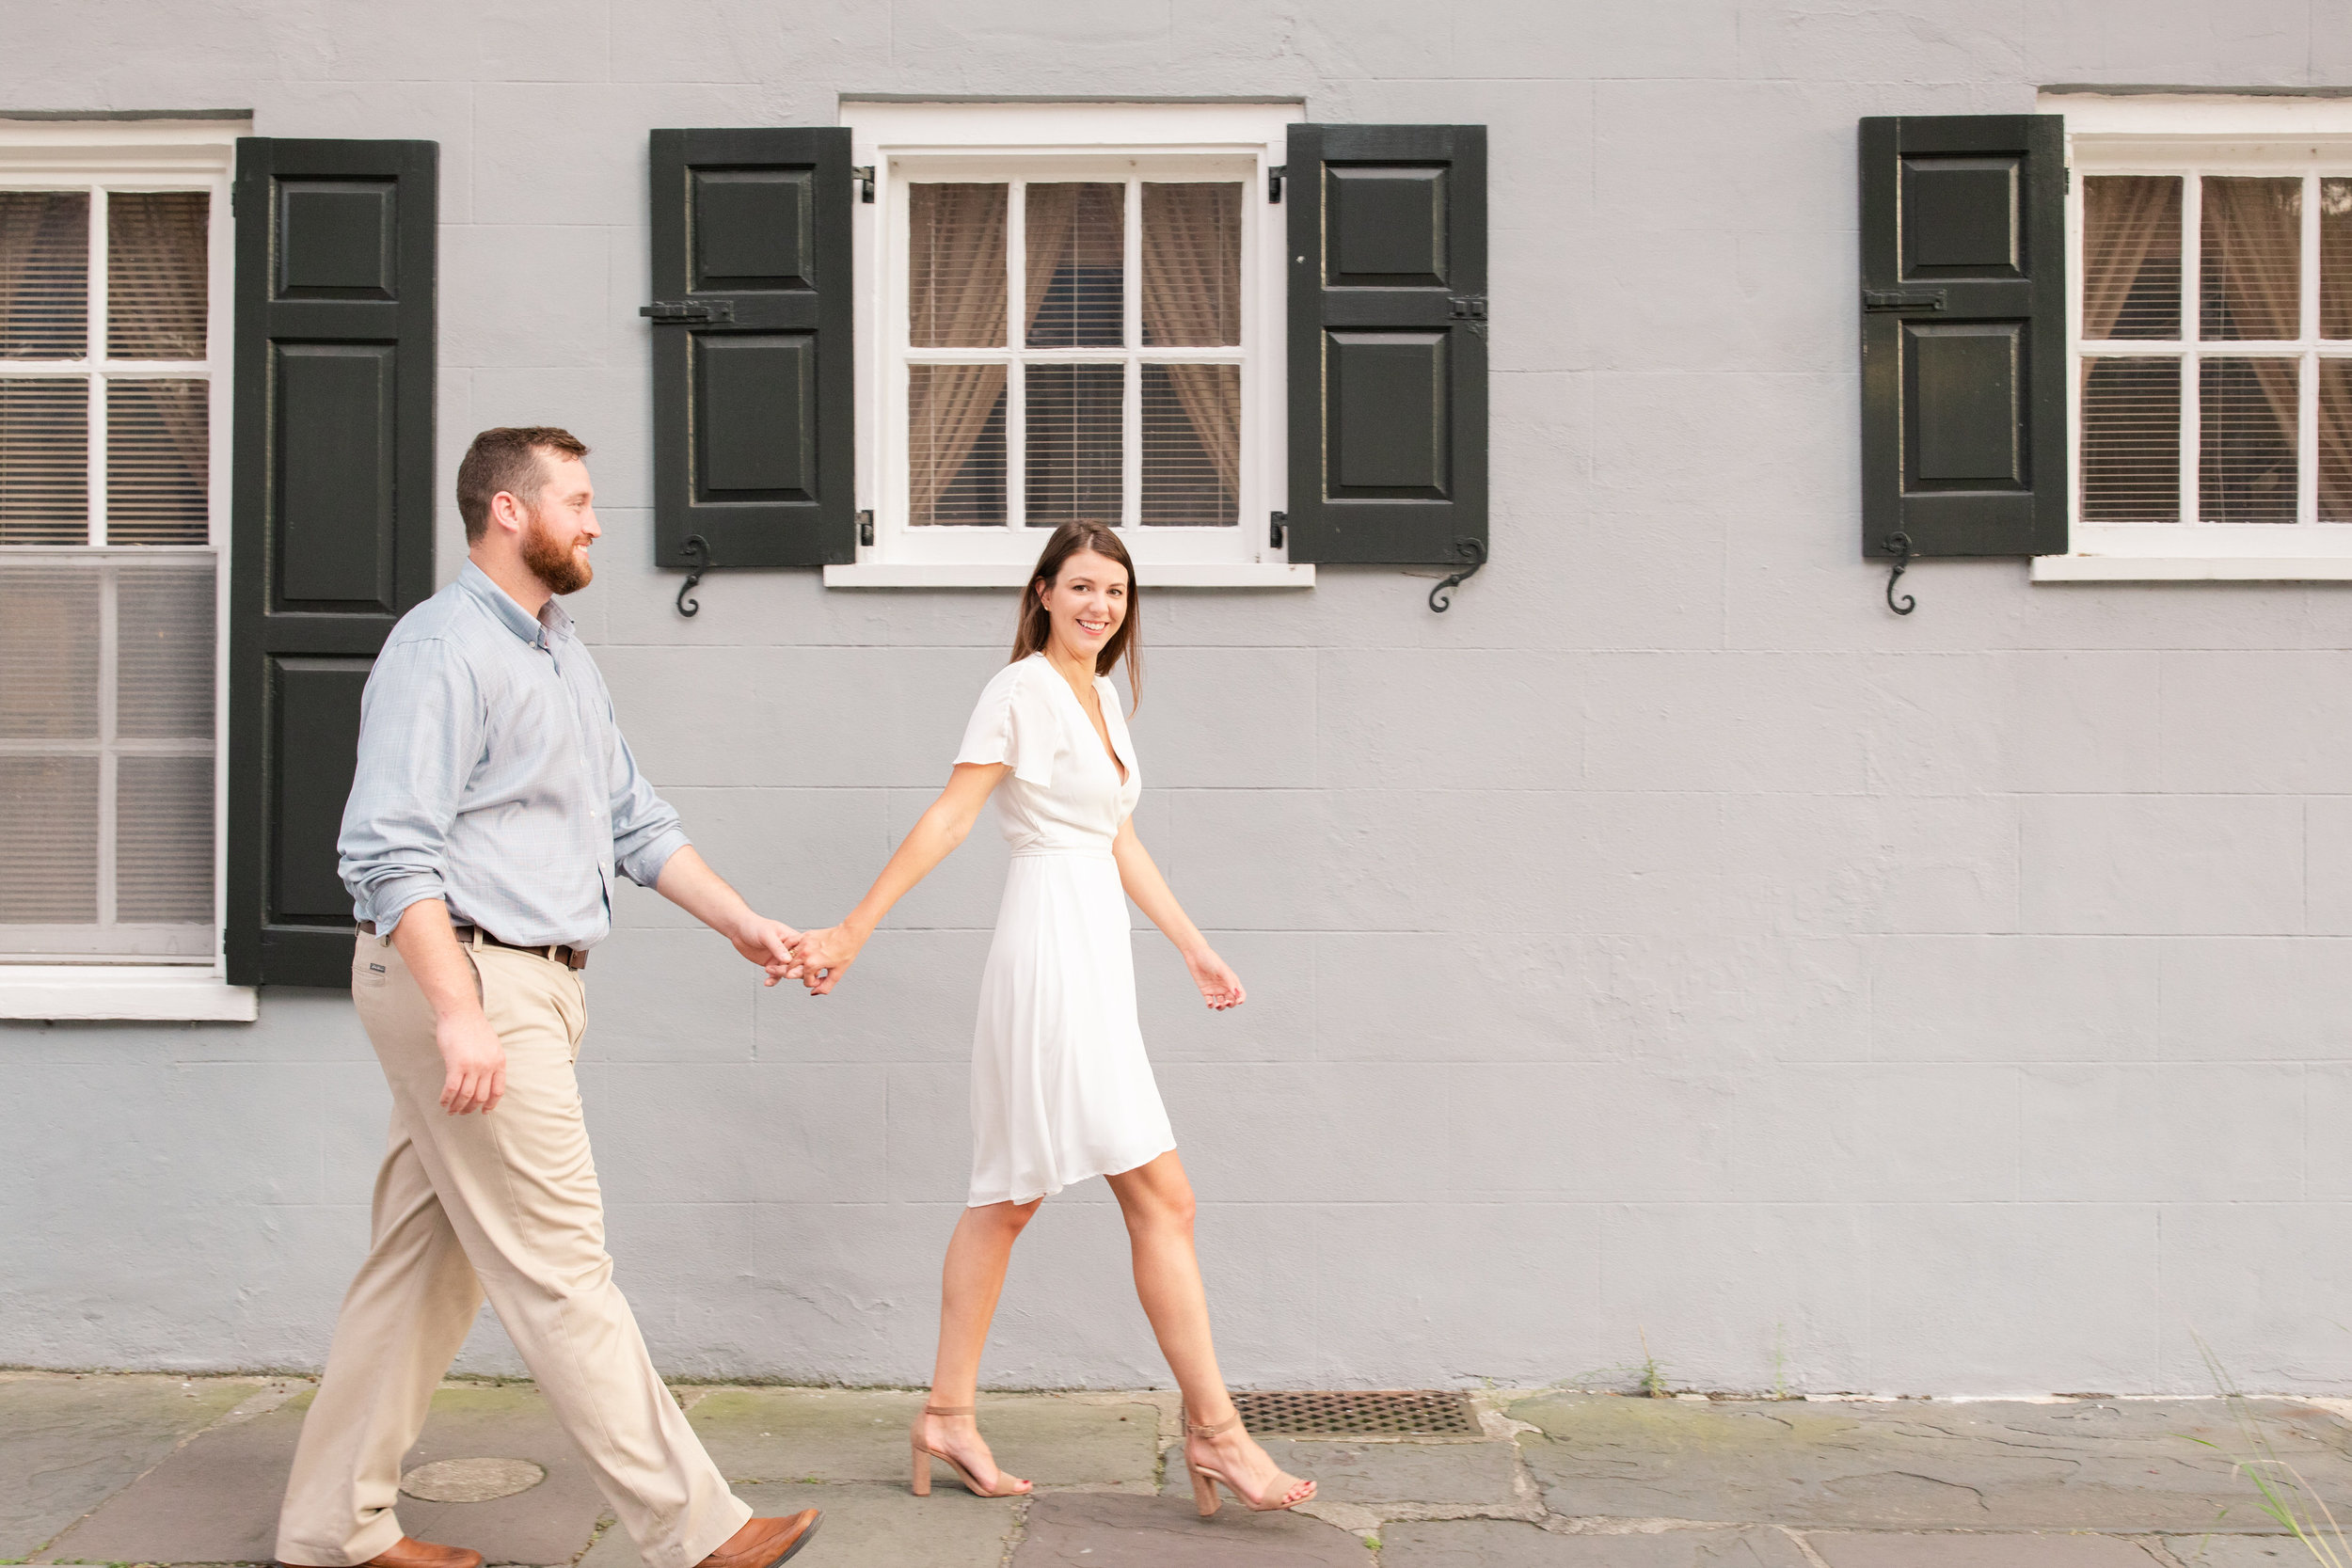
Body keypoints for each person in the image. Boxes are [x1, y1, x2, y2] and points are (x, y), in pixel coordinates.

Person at [276, 428, 820, 1568]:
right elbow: (387, 851)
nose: (597, 521)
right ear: (509, 513)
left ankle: (332, 1525)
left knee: (422, 1264)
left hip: (529, 979)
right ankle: (699, 1528)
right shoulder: (439, 651)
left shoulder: (562, 653)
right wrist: (460, 1008)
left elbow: (635, 822)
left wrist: (745, 925)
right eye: (576, 499)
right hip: (466, 977)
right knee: (565, 1264)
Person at [784, 521, 1315, 1518]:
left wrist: (1191, 943)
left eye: (1114, 591)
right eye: (1079, 586)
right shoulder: (1022, 688)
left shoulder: (1104, 694)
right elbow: (951, 815)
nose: (1099, 605)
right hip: (1048, 956)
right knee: (1151, 1194)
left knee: (1015, 1195)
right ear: (1040, 594)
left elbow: (1115, 834)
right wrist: (854, 927)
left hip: (1095, 952)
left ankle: (948, 1413)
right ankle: (1218, 1433)